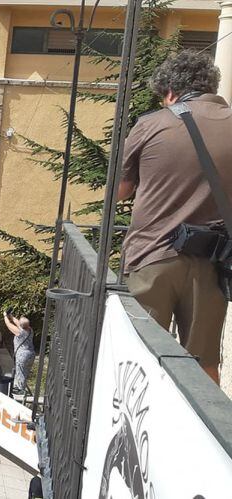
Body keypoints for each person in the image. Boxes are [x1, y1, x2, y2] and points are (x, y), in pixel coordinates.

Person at [119, 51, 232, 382]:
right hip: (213, 262)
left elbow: (121, 191)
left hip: (152, 255)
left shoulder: (152, 124)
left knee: (139, 359)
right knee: (203, 365)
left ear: (169, 92)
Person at [4, 313, 36, 395]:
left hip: (22, 356)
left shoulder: (20, 332)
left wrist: (5, 316)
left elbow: (9, 325)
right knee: (24, 373)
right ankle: (21, 386)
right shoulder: (30, 330)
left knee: (20, 372)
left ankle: (20, 390)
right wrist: (11, 316)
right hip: (31, 354)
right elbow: (19, 323)